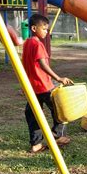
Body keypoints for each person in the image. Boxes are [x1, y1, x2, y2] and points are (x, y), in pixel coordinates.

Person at [22, 14, 73, 153]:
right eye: (44, 29)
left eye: (47, 29)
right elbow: (43, 64)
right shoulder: (38, 44)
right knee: (60, 111)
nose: (46, 32)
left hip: (32, 88)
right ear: (34, 28)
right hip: (44, 86)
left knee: (32, 115)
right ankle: (57, 135)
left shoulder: (27, 43)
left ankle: (36, 144)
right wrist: (58, 78)